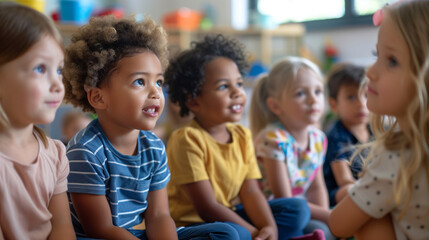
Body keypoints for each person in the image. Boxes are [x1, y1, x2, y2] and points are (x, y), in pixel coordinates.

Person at [63, 16, 241, 239]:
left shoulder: (154, 147)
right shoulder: (85, 151)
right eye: (139, 81)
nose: (156, 92)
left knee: (229, 233)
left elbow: (158, 216)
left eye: (158, 82)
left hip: (133, 235)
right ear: (98, 97)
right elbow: (100, 229)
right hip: (98, 237)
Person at [165, 34, 319, 240]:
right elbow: (206, 207)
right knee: (231, 234)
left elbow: (250, 192)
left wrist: (268, 227)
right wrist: (255, 232)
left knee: (297, 208)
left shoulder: (241, 134)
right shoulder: (186, 139)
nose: (237, 92)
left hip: (229, 215)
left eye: (238, 83)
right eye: (223, 86)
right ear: (193, 101)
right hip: (193, 226)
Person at [329, 1, 429, 239]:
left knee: (366, 218)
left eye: (392, 60)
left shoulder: (399, 154)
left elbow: (338, 224)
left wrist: (361, 196)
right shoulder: (336, 134)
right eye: (377, 55)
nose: (370, 72)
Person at [0, 3, 75, 239]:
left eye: (59, 70)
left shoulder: (55, 153)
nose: (57, 84)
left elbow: (62, 227)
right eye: (40, 68)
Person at [250, 56, 335, 240]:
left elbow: (316, 187)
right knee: (320, 227)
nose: (313, 100)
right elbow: (284, 199)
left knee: (328, 228)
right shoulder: (273, 139)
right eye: (300, 94)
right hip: (277, 213)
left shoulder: (318, 138)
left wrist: (329, 217)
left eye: (318, 91)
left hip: (302, 208)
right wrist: (331, 218)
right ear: (275, 106)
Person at [323, 63, 371, 207]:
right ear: (334, 105)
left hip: (373, 190)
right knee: (349, 190)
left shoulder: (377, 131)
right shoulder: (336, 136)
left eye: (366, 95)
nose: (361, 104)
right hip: (342, 194)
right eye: (351, 97)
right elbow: (344, 180)